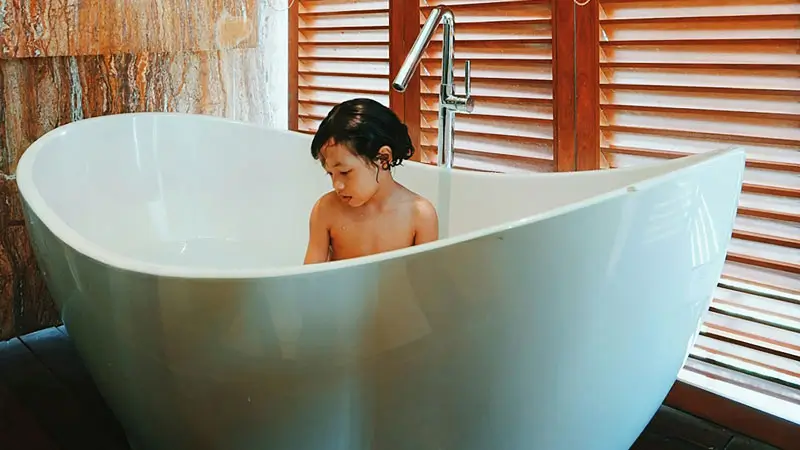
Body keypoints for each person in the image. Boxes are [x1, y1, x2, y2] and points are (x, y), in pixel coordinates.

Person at [303, 98, 439, 264]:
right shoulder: (326, 210)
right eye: (331, 174)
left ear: (383, 158)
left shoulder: (419, 216)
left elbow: (425, 282)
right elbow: (308, 279)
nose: (336, 185)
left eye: (345, 172)